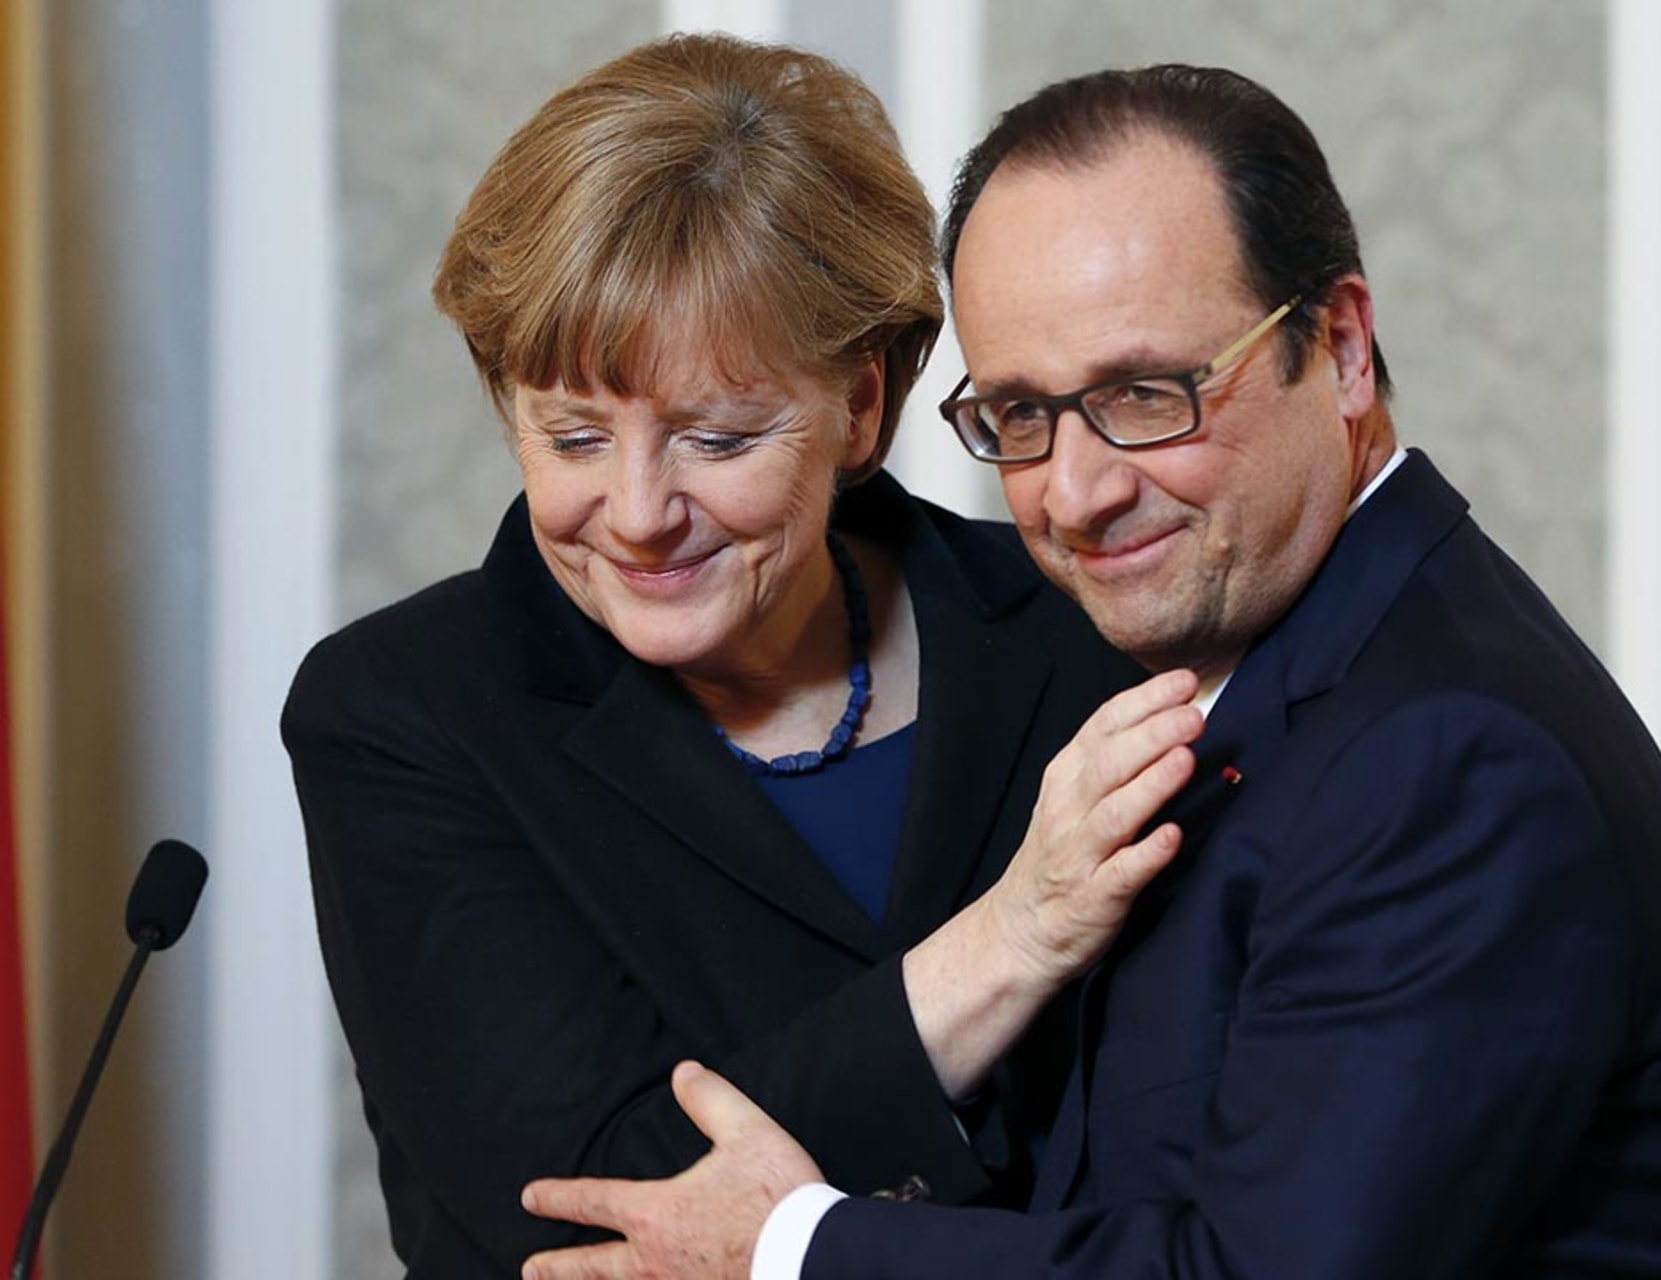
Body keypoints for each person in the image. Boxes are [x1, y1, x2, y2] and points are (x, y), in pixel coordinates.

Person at [516, 64, 1661, 1279]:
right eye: (1020, 415)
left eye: (1146, 393)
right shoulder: (1256, 667)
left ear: (1341, 346)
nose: (1077, 490)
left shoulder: (1442, 752)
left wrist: (794, 1247)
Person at [281, 36, 1201, 1278]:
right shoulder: (404, 712)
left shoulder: (1080, 637)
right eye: (573, 436)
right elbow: (592, 1212)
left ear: (862, 406)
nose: (639, 509)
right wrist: (1014, 938)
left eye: (715, 438)